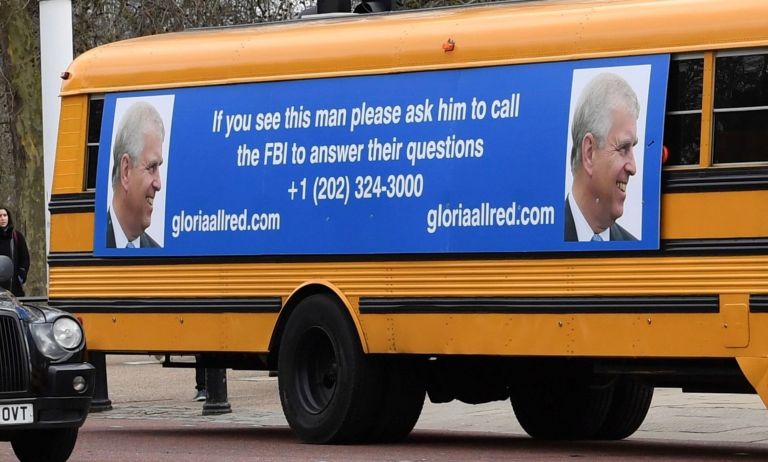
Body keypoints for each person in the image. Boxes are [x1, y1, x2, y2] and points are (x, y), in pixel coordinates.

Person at [565, 72, 640, 242]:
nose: (633, 168)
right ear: (589, 153)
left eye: (633, 147)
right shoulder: (539, 240)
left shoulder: (632, 247)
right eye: (623, 148)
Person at [107, 101, 165, 248]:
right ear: (126, 171)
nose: (159, 184)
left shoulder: (156, 252)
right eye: (152, 167)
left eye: (159, 167)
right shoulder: (87, 244)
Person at [0, 207, 30, 296]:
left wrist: (21, 277)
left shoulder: (17, 236)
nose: (2, 218)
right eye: (0, 216)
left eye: (5, 215)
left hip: (14, 289)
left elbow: (25, 258)